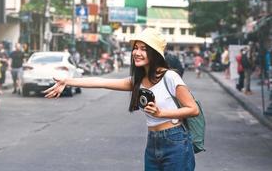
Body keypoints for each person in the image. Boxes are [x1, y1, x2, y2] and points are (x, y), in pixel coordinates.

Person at [44, 28, 199, 170]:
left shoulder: (170, 77)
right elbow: (102, 82)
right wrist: (67, 81)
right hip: (152, 142)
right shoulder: (138, 81)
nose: (137, 52)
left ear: (155, 53)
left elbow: (193, 109)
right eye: (136, 48)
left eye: (144, 49)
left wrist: (161, 113)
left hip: (175, 141)